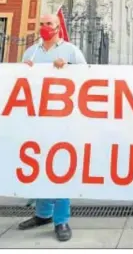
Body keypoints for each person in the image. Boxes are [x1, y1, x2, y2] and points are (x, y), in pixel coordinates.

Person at [18, 13, 87, 242]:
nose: (44, 27)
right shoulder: (31, 52)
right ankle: (42, 213)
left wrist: (68, 68)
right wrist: (24, 70)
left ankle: (61, 219)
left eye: (48, 24)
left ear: (58, 27)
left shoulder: (70, 51)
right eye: (41, 24)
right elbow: (18, 82)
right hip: (35, 118)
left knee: (59, 166)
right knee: (37, 163)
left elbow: (88, 78)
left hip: (62, 119)